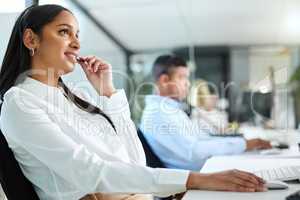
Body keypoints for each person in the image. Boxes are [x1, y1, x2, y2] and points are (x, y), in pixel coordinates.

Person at [0, 5, 266, 200]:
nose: (76, 43)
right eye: (64, 32)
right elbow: (88, 172)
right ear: (30, 39)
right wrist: (195, 179)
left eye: (77, 34)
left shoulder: (72, 99)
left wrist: (108, 93)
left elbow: (134, 161)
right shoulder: (20, 103)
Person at [140, 55, 272, 171]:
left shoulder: (171, 110)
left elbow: (202, 138)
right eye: (182, 77)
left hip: (205, 169)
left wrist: (242, 143)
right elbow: (193, 151)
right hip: (197, 177)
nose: (187, 83)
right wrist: (243, 144)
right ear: (164, 80)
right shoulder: (159, 114)